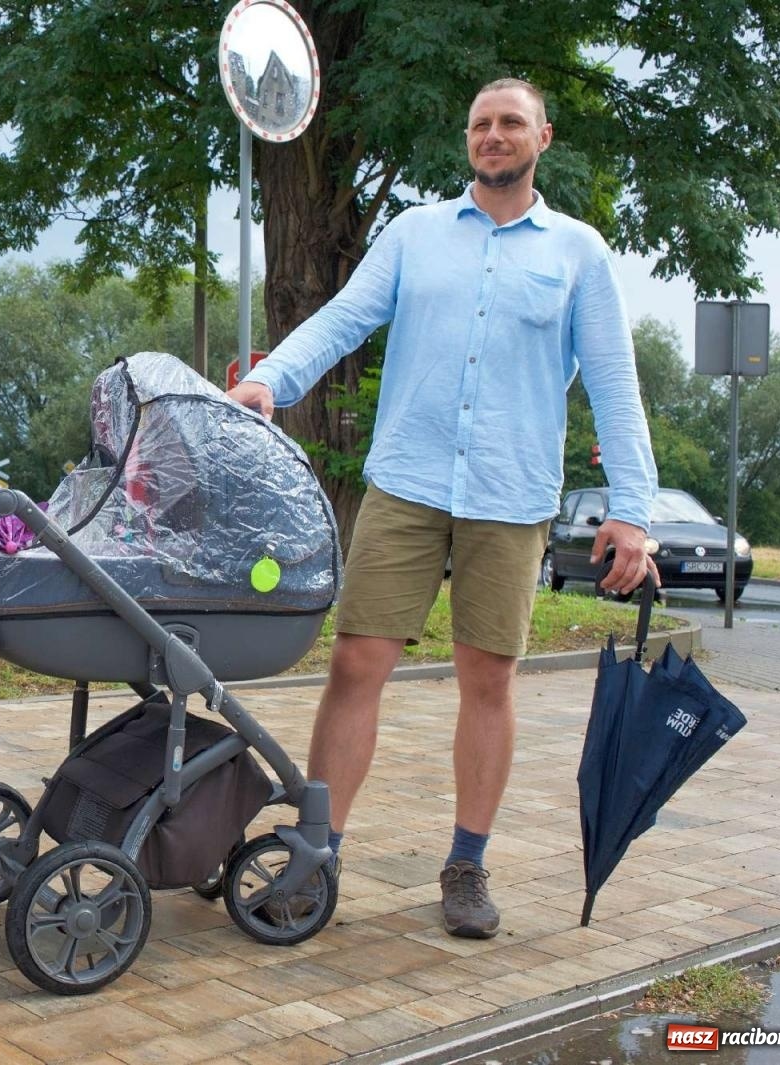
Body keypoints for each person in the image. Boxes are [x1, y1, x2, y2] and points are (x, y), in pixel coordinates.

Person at [228, 78, 658, 939]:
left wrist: (633, 510)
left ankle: (466, 862)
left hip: (510, 493)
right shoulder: (416, 234)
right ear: (469, 140)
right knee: (356, 663)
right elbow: (344, 318)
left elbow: (614, 381)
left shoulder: (579, 252)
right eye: (480, 125)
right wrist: (270, 380)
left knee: (488, 680)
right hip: (408, 483)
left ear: (543, 136)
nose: (493, 136)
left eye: (510, 124)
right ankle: (318, 855)